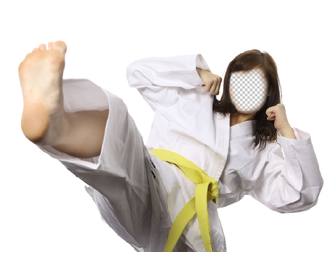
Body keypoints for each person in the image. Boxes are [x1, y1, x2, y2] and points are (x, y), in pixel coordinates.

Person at [19, 41, 324, 252]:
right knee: (121, 135)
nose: (246, 90)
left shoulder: (264, 150)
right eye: (240, 80)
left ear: (269, 92)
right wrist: (194, 73)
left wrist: (285, 131)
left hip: (195, 231)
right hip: (156, 176)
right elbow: (138, 73)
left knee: (125, 173)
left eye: (256, 84)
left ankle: (57, 123)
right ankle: (54, 124)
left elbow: (301, 197)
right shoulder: (195, 98)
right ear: (230, 79)